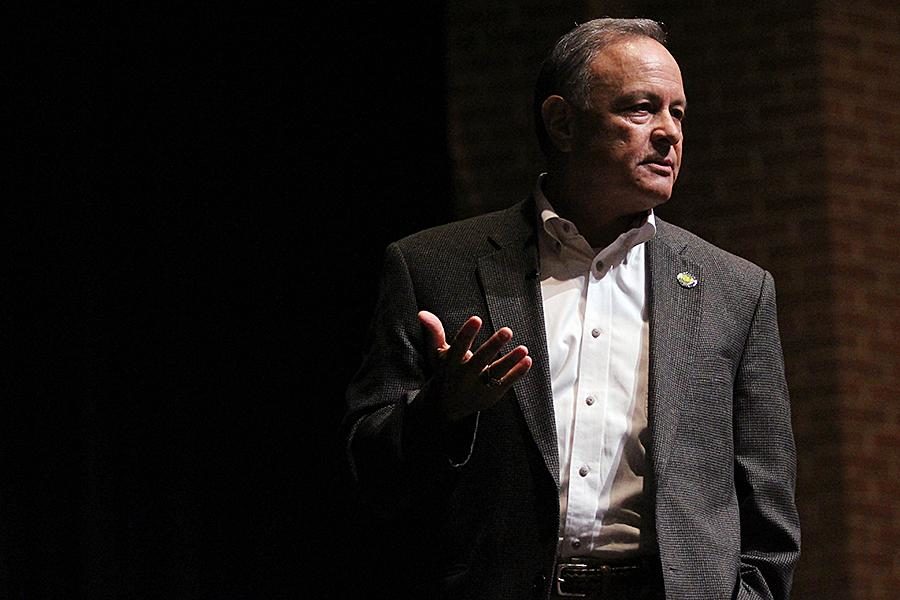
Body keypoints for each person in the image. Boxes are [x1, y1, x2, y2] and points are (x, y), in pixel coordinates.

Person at [340, 17, 800, 600]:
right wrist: (441, 411)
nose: (668, 133)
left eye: (677, 113)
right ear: (562, 122)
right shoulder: (433, 267)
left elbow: (769, 513)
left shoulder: (735, 290)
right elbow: (368, 472)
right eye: (640, 109)